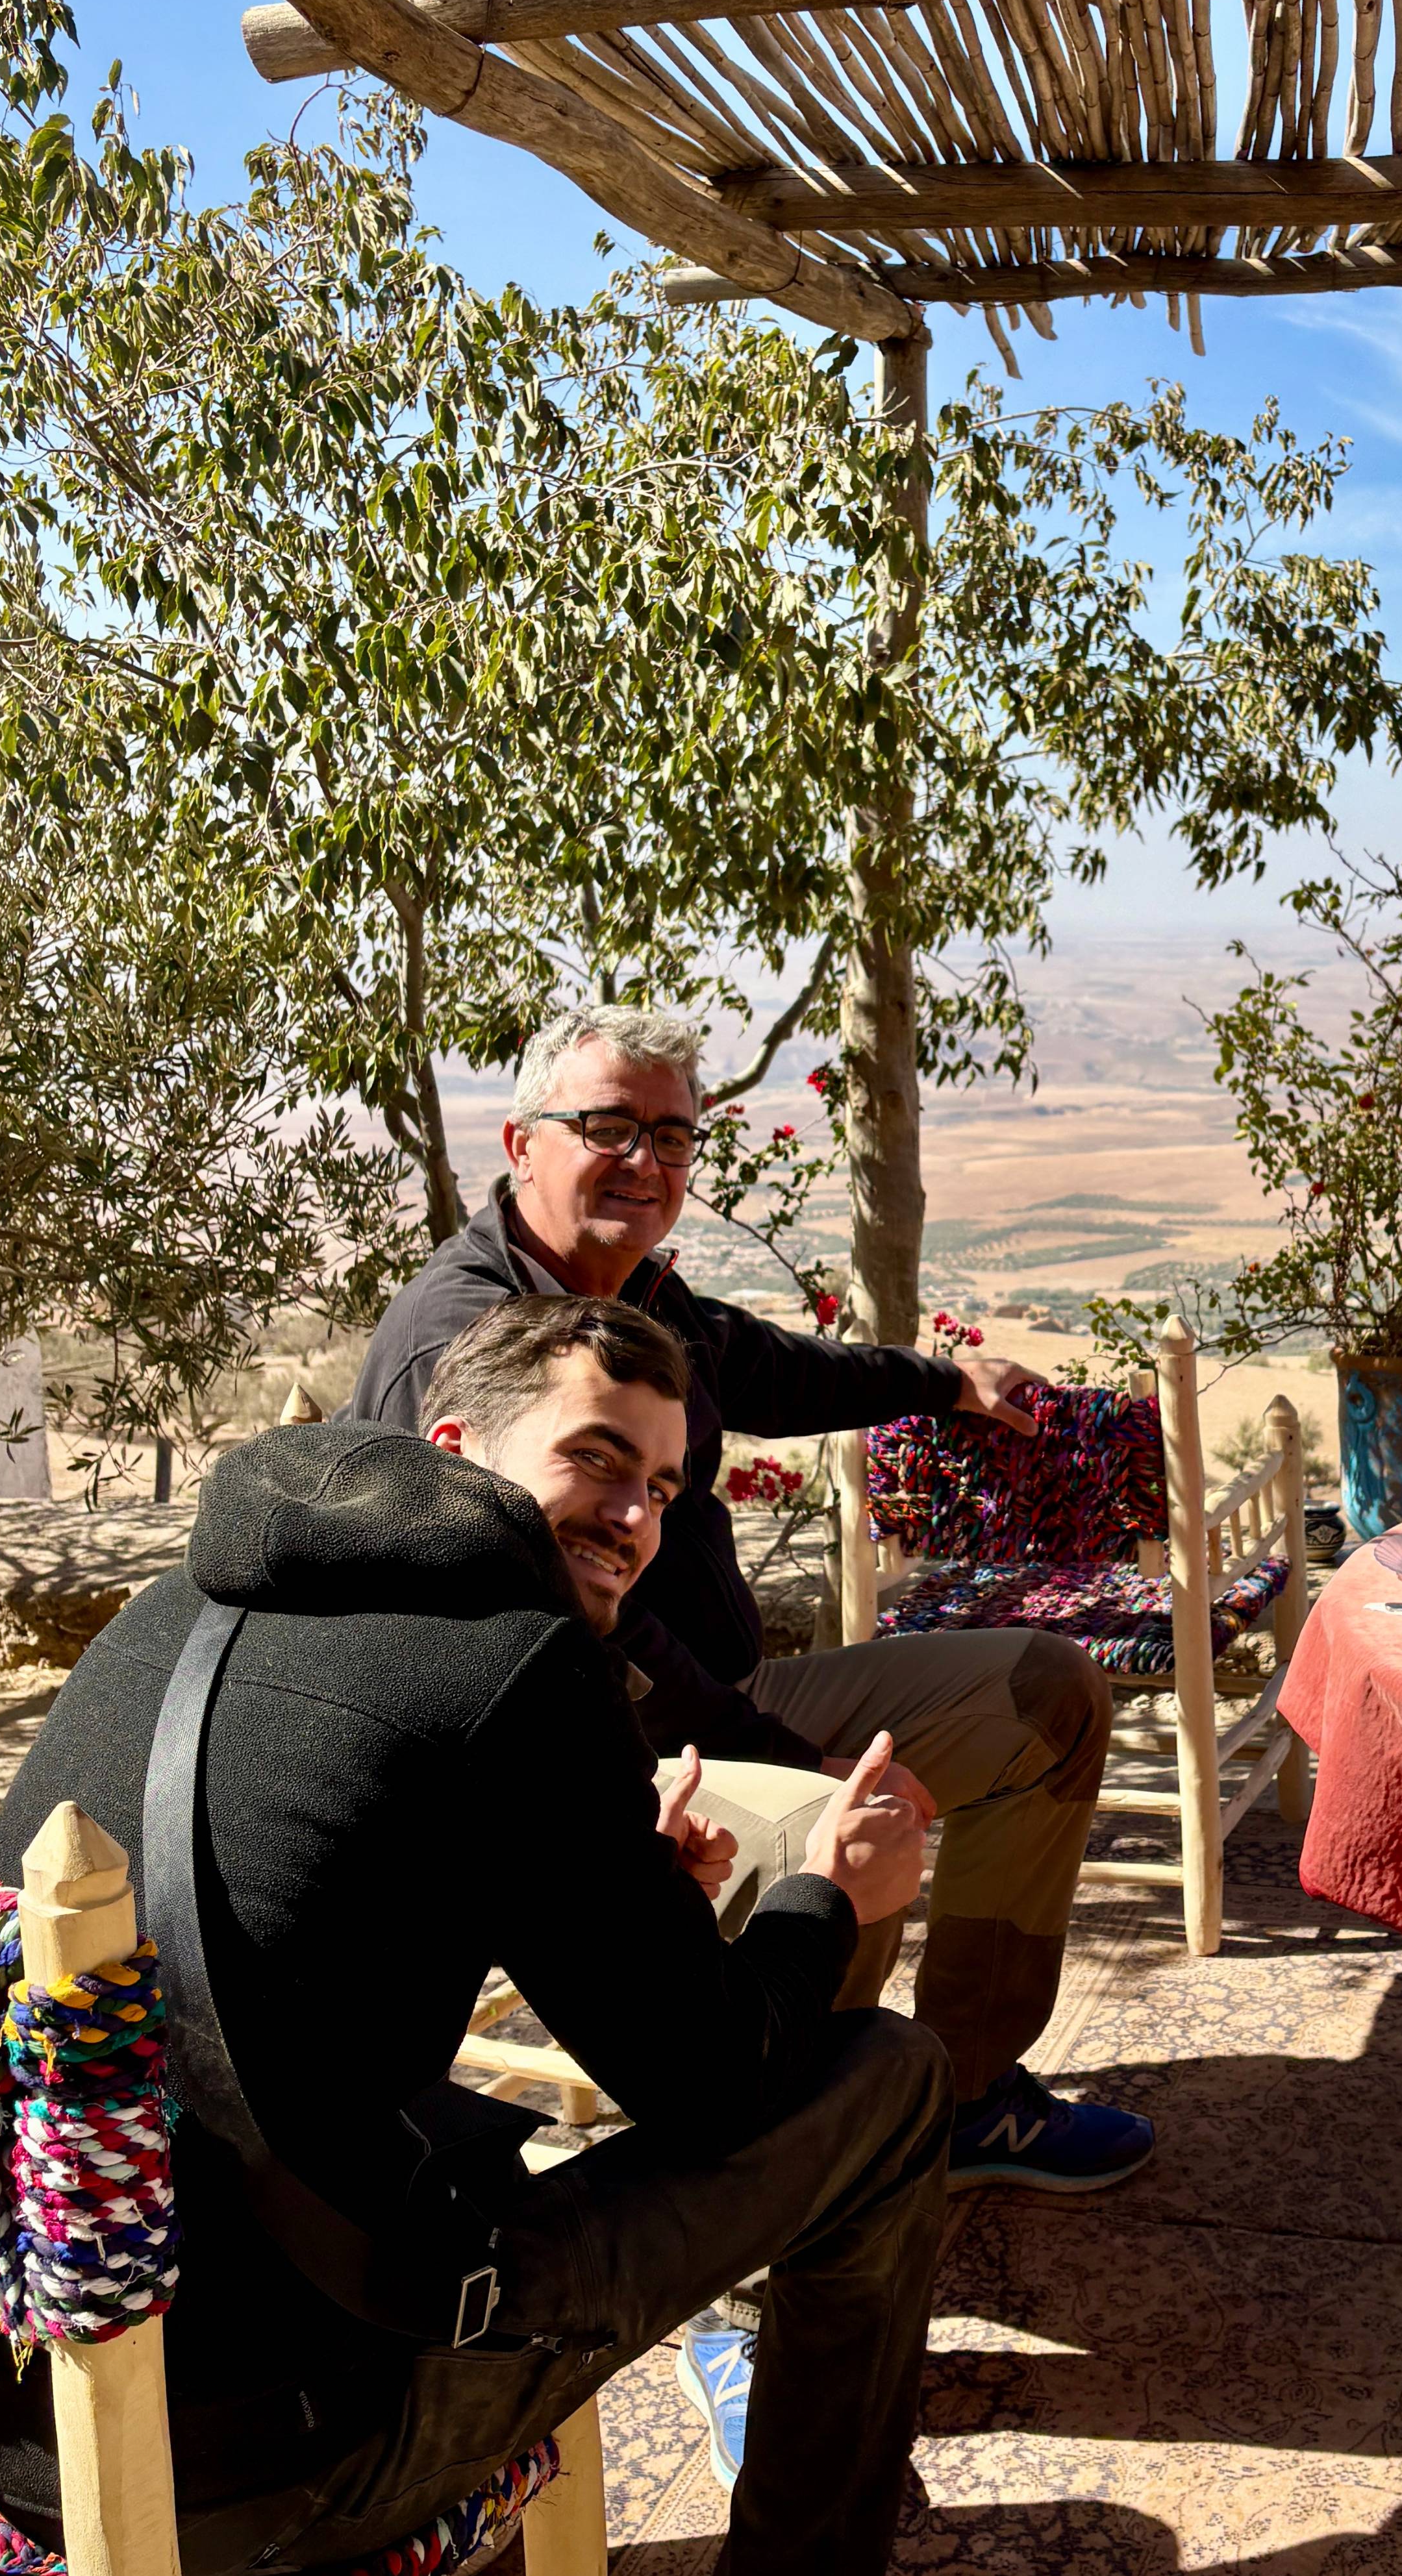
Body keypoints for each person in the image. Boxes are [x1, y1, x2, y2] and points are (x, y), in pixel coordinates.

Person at [0, 1296, 1003, 2576]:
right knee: (881, 2085)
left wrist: (622, 1890)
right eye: (599, 1462)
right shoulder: (514, 1659)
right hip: (262, 2475)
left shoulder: (182, 1607)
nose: (634, 1519)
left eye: (666, 1490)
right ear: (454, 1449)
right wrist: (833, 1893)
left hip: (18, 2423)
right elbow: (717, 2081)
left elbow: (301, 1947)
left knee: (468, 2122)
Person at [351, 1005, 1155, 2481]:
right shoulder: (468, 1339)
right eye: (610, 1127)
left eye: (672, 1134)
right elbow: (579, 1645)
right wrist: (777, 1747)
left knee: (1047, 1699)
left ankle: (961, 2087)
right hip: (568, 1762)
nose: (646, 1161)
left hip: (719, 1712)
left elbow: (768, 1369)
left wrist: (941, 1380)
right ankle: (741, 2270)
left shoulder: (630, 1298)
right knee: (812, 1847)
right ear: (519, 1144)